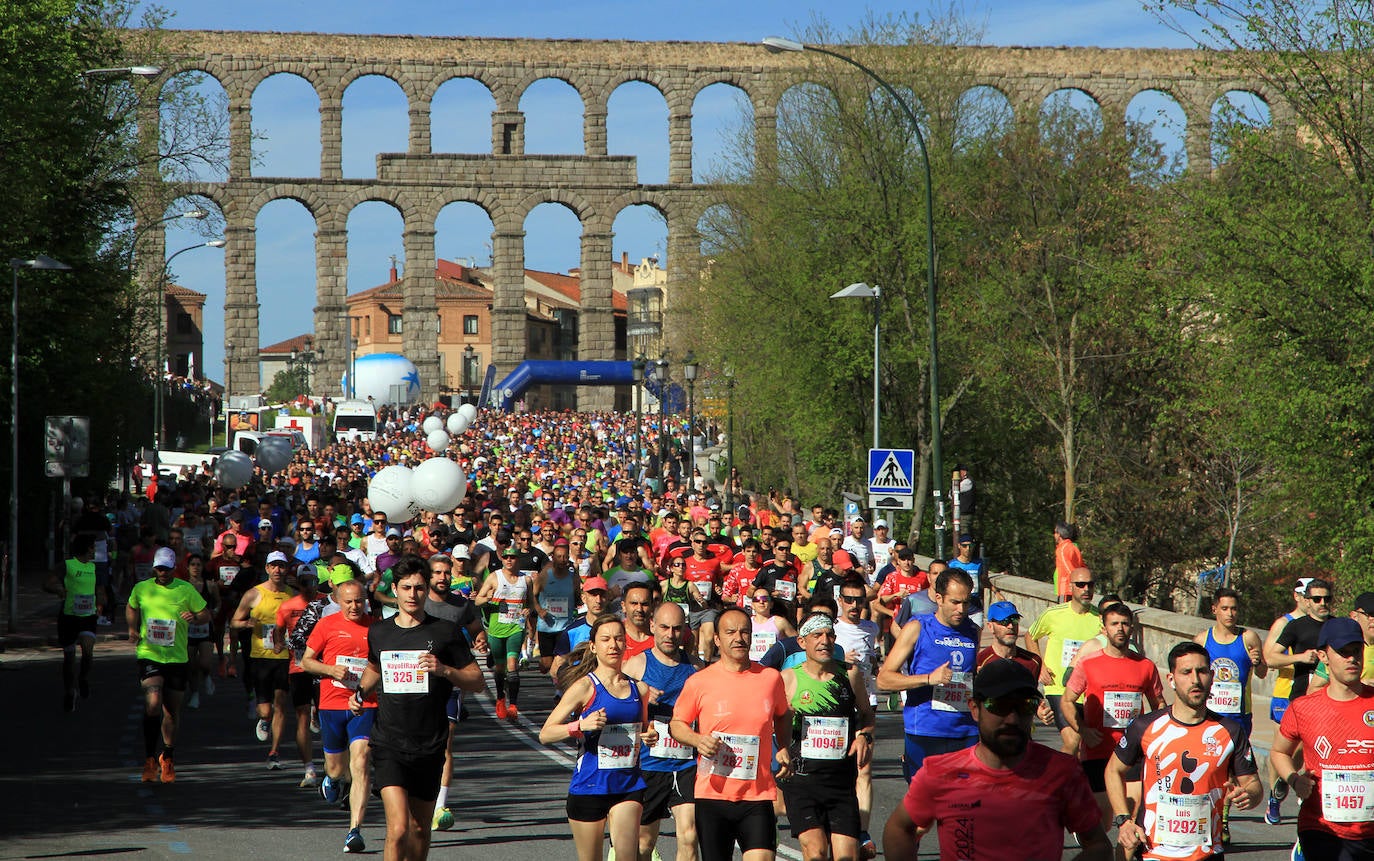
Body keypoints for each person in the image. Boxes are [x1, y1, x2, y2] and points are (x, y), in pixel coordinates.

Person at [884, 659, 1110, 860]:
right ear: (975, 709)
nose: (1011, 718)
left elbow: (1098, 845)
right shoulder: (940, 772)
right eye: (999, 706)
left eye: (1024, 706)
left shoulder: (1062, 771)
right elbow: (898, 829)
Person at [349, 554, 484, 861]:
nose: (413, 594)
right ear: (394, 589)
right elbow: (374, 666)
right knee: (397, 829)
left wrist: (444, 670)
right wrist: (359, 692)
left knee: (420, 828)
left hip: (429, 743)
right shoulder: (380, 631)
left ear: (426, 591)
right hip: (389, 741)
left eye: (419, 588)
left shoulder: (445, 632)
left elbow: (477, 681)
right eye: (406, 588)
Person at [1107, 641, 1261, 861]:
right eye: (1186, 672)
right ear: (1171, 679)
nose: (1195, 680)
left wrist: (1249, 795)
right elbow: (1113, 770)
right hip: (1154, 853)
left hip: (1207, 852)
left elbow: (1253, 784)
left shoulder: (1230, 731)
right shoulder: (1145, 726)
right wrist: (1124, 821)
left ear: (1212, 675)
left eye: (1202, 671)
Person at [671, 606, 794, 861]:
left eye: (744, 632)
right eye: (730, 632)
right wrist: (697, 740)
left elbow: (783, 714)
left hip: (757, 795)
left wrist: (783, 746)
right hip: (712, 795)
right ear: (717, 639)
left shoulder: (770, 678)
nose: (739, 638)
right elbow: (677, 724)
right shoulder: (700, 681)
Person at [540, 615, 657, 861]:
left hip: (628, 785)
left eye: (618, 639)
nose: (613, 645)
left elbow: (644, 728)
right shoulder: (584, 687)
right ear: (593, 646)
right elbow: (546, 733)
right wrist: (579, 725)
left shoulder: (640, 689)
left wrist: (649, 734)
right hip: (590, 786)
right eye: (605, 639)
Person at [1272, 617, 1374, 860]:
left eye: (1356, 650)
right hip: (1321, 827)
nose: (1352, 658)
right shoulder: (1304, 708)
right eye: (1342, 651)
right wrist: (1294, 780)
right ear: (1323, 656)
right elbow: (1279, 752)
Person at [781, 611, 875, 861]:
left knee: (847, 857)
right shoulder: (789, 679)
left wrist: (864, 736)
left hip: (840, 782)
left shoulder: (850, 675)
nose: (825, 641)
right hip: (802, 781)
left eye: (830, 635)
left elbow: (866, 714)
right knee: (816, 852)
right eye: (817, 635)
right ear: (802, 642)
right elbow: (770, 723)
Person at [1062, 603, 1166, 826]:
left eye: (1125, 624)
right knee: (1103, 819)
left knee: (1132, 813)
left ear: (1131, 628)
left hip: (1133, 750)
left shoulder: (1146, 666)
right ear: (1104, 628)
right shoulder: (1089, 664)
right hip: (1097, 749)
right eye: (1114, 624)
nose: (1120, 628)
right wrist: (1083, 731)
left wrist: (1156, 739)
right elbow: (1067, 700)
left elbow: (1159, 704)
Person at [877, 568, 980, 782]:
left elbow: (972, 676)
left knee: (962, 807)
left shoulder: (972, 630)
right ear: (939, 599)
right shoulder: (917, 627)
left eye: (966, 602)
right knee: (924, 807)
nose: (961, 609)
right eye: (955, 602)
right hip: (926, 730)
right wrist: (928, 679)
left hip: (966, 731)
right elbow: (884, 679)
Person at [301, 579, 376, 853]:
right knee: (336, 768)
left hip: (365, 704)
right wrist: (330, 670)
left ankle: (354, 830)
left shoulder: (376, 626)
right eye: (349, 601)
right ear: (338, 601)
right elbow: (306, 661)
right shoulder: (327, 625)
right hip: (331, 704)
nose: (355, 606)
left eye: (359, 600)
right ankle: (332, 778)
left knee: (362, 762)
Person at [623, 602, 700, 861]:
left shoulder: (696, 667)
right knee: (644, 844)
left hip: (687, 763)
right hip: (650, 765)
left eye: (677, 629)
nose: (670, 634)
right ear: (653, 626)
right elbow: (616, 709)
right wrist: (640, 695)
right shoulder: (636, 666)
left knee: (689, 836)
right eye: (664, 627)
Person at [127, 546, 211, 783]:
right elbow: (132, 606)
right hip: (149, 653)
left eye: (167, 568)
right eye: (159, 567)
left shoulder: (185, 589)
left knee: (171, 712)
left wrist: (195, 617)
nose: (162, 572)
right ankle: (149, 760)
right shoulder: (142, 588)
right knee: (153, 702)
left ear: (175, 568)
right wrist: (132, 628)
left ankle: (168, 756)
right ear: (154, 567)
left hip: (177, 658)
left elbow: (206, 614)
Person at [1193, 586, 1268, 839]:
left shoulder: (1248, 638)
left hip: (1239, 717)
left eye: (1234, 609)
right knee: (1210, 768)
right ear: (1214, 609)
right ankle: (1207, 816)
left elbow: (1262, 673)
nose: (1230, 614)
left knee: (1234, 772)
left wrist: (1258, 662)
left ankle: (1223, 821)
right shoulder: (1203, 639)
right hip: (1210, 715)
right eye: (1224, 608)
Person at [422, 552, 487, 832]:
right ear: (428, 576)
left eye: (446, 573)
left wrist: (480, 640)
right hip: (418, 682)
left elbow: (475, 628)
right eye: (437, 573)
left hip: (450, 680)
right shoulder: (417, 602)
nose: (442, 577)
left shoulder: (460, 605)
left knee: (446, 742)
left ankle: (440, 806)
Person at [1026, 565, 1103, 755]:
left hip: (1087, 691)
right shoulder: (1054, 614)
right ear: (1071, 587)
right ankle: (1056, 778)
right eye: (1081, 584)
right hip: (1058, 688)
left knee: (1084, 747)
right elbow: (1030, 636)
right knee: (1073, 738)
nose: (1086, 589)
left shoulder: (1099, 619)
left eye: (1090, 585)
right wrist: (1040, 666)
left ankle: (1075, 782)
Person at [231, 549, 296, 768]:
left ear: (286, 569)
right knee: (266, 709)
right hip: (260, 657)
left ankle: (275, 751)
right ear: (267, 569)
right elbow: (234, 621)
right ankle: (264, 719)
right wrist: (246, 624)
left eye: (281, 566)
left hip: (284, 656)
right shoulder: (253, 594)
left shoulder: (292, 595)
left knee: (281, 704)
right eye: (273, 566)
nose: (278, 570)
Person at [833, 576, 881, 857]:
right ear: (840, 600)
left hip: (868, 703)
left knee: (864, 769)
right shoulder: (833, 629)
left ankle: (862, 832)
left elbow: (873, 659)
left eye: (858, 600)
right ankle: (838, 825)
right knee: (841, 769)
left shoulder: (871, 628)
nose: (853, 605)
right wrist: (841, 660)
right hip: (839, 706)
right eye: (848, 599)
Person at [1260, 577, 1313, 823]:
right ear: (1297, 596)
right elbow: (1270, 657)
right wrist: (1300, 658)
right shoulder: (1285, 623)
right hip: (1285, 692)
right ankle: (1274, 797)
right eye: (1306, 595)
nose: (1309, 600)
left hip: (1311, 693)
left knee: (1302, 748)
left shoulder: (1322, 624)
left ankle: (1286, 778)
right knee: (1282, 746)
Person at [276, 567, 324, 787]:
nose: (309, 586)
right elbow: (278, 632)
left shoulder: (326, 603)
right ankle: (309, 769)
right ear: (298, 583)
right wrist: (278, 644)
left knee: (328, 714)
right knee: (302, 715)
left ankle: (334, 763)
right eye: (304, 582)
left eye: (312, 581)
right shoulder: (288, 606)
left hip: (324, 667)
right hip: (299, 666)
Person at [473, 546, 531, 720]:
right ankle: (500, 698)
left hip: (516, 627)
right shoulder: (494, 577)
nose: (509, 560)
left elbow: (532, 602)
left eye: (513, 557)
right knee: (499, 667)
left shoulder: (526, 580)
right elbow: (477, 601)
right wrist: (490, 599)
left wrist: (529, 610)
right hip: (496, 628)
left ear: (517, 559)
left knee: (512, 665)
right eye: (506, 557)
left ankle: (513, 705)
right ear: (502, 559)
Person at [45, 534, 99, 712]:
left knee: (88, 652)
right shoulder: (67, 565)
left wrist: (101, 603)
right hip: (69, 617)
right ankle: (69, 691)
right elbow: (48, 582)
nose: (95, 551)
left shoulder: (94, 567)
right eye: (93, 547)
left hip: (88, 617)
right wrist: (58, 589)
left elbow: (100, 588)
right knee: (69, 659)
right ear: (86, 548)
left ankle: (83, 678)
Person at [533, 538, 581, 674]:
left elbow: (578, 595)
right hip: (546, 626)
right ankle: (544, 665)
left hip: (565, 626)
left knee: (561, 662)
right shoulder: (545, 576)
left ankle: (559, 691)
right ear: (553, 558)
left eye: (565, 557)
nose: (562, 560)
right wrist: (539, 610)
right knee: (547, 665)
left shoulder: (573, 576)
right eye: (559, 557)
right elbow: (532, 595)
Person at [747, 587, 797, 662]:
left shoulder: (779, 621)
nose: (761, 602)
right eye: (757, 599)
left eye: (765, 599)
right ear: (752, 605)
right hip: (752, 665)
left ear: (771, 604)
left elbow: (797, 641)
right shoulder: (747, 623)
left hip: (775, 665)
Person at [1053, 521, 1083, 603]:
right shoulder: (1074, 547)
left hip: (1066, 588)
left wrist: (1076, 582)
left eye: (1055, 532)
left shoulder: (1062, 549)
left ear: (1059, 534)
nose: (1054, 535)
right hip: (1075, 589)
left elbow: (1068, 569)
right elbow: (1082, 567)